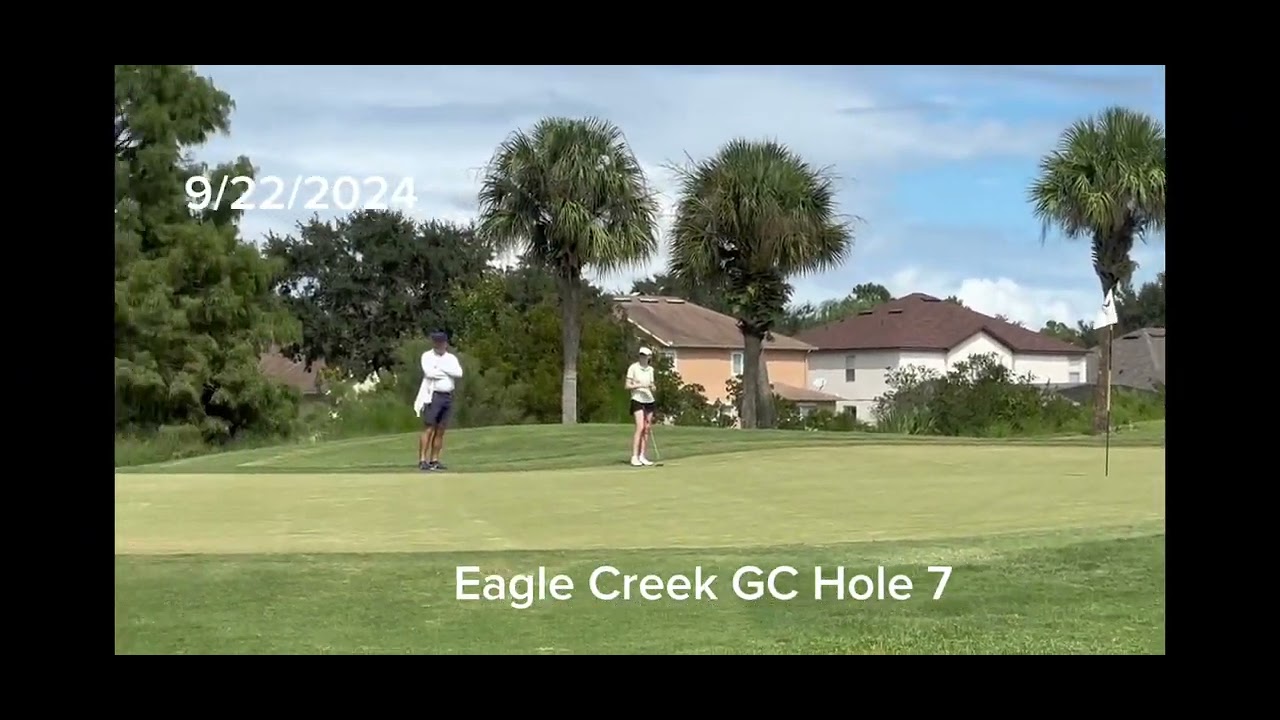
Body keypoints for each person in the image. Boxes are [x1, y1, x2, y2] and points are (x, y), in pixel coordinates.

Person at [414, 331, 464, 471]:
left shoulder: (451, 358)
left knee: (441, 429)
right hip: (433, 395)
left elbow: (458, 373)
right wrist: (446, 372)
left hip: (447, 396)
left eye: (442, 342)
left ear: (446, 343)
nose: (440, 345)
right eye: (437, 342)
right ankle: (422, 460)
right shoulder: (427, 356)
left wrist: (442, 369)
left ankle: (434, 459)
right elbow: (429, 373)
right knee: (429, 428)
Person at [625, 347, 657, 466]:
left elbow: (652, 385)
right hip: (637, 399)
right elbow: (627, 385)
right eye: (641, 355)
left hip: (649, 399)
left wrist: (652, 387)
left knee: (647, 428)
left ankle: (642, 456)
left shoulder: (650, 370)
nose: (643, 357)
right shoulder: (633, 368)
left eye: (645, 356)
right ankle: (634, 456)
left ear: (649, 357)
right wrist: (638, 385)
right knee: (640, 427)